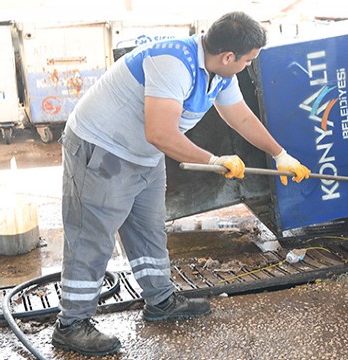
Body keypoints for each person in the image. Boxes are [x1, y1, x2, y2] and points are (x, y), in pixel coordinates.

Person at [51, 11, 311, 356]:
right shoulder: (172, 62)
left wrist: (281, 154)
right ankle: (72, 324)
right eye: (247, 61)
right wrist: (213, 160)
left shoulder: (219, 71)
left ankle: (160, 300)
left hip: (143, 154)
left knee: (148, 229)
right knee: (92, 236)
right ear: (228, 56)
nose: (248, 67)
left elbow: (239, 115)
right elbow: (159, 132)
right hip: (103, 149)